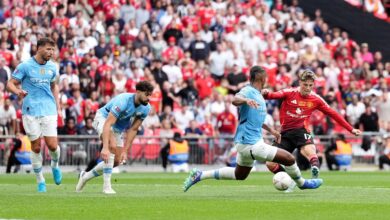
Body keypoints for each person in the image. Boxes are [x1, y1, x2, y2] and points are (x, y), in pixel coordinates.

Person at [183, 66, 323, 192]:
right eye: (266, 77)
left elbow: (256, 119)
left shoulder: (259, 95)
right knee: (289, 158)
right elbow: (235, 99)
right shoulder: (248, 91)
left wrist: (272, 131)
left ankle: (200, 175)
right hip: (250, 143)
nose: (267, 79)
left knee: (240, 174)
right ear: (262, 79)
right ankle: (302, 183)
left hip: (247, 142)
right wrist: (244, 100)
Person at [262, 70, 361, 178]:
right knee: (270, 163)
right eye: (305, 84)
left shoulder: (316, 99)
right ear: (300, 82)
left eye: (310, 85)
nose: (308, 88)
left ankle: (315, 168)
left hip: (301, 131)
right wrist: (266, 93)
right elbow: (272, 95)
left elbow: (333, 114)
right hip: (284, 134)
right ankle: (288, 179)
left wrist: (351, 129)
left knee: (309, 150)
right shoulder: (289, 92)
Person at [76, 81, 153, 194]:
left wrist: (125, 151)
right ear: (138, 92)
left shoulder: (146, 108)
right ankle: (107, 187)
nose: (149, 98)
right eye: (147, 94)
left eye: (150, 95)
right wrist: (105, 147)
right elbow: (108, 123)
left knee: (116, 161)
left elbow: (133, 129)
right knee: (111, 146)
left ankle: (85, 176)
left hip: (117, 128)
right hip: (103, 119)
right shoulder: (123, 101)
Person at [6, 37, 62, 192]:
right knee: (36, 147)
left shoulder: (52, 67)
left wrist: (58, 106)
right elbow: (10, 83)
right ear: (38, 49)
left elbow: (53, 86)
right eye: (48, 49)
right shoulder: (25, 66)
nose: (51, 52)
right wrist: (17, 91)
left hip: (49, 110)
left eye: (53, 49)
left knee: (52, 145)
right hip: (30, 111)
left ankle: (55, 166)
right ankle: (40, 180)